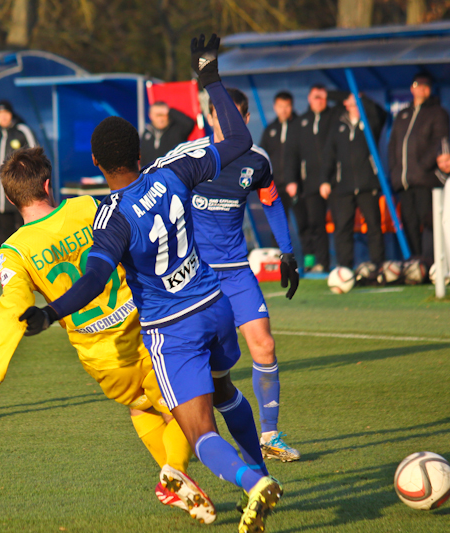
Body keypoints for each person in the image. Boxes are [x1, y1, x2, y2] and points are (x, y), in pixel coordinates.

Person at [19, 35, 283, 532]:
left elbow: (95, 278)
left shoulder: (111, 218)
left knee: (198, 432)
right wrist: (210, 78)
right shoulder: (174, 171)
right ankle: (264, 471)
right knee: (225, 389)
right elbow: (239, 142)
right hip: (215, 305)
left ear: (96, 164)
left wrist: (51, 312)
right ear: (139, 152)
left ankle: (253, 483)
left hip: (173, 329)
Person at [0, 146, 214, 524]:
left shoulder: (13, 251)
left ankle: (179, 485)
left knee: (140, 406)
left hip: (102, 359)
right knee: (187, 408)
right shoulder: (88, 206)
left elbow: (12, 309)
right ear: (48, 185)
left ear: (11, 198)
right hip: (147, 332)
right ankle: (175, 471)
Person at [181, 87, 300, 463]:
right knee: (201, 363)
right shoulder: (191, 157)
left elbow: (272, 202)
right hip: (195, 277)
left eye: (235, 116)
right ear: (210, 117)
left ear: (245, 120)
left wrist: (287, 252)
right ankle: (197, 437)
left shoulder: (256, 160)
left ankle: (270, 436)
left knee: (264, 345)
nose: (227, 122)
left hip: (235, 272)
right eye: (220, 115)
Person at [388, 73, 449, 265]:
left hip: (426, 180)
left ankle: (433, 263)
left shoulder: (437, 112)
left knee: (430, 222)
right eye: (418, 84)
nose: (422, 88)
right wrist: (395, 171)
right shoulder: (402, 114)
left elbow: (440, 142)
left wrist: (422, 166)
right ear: (411, 88)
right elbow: (393, 145)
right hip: (404, 182)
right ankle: (415, 264)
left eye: (426, 85)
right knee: (409, 223)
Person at [320, 93, 387, 271]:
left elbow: (382, 114)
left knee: (374, 226)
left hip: (368, 184)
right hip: (343, 186)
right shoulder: (338, 126)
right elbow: (329, 155)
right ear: (346, 105)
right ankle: (345, 267)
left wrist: (363, 98)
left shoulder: (370, 123)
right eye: (353, 103)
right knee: (343, 228)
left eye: (359, 104)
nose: (356, 107)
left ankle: (377, 266)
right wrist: (325, 180)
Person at [285, 84, 340, 272]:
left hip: (335, 181)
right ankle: (321, 263)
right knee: (315, 224)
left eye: (323, 97)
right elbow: (291, 154)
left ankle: (343, 263)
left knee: (340, 223)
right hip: (310, 183)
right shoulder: (301, 123)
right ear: (309, 98)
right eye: (316, 97)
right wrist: (291, 180)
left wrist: (330, 94)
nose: (320, 101)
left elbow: (348, 100)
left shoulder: (334, 116)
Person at [0, 100, 36, 252]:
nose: (3, 117)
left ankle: (29, 259)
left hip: (20, 192)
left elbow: (35, 157)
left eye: (6, 113)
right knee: (5, 232)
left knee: (25, 229)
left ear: (11, 114)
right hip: (0, 195)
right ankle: (8, 261)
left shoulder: (22, 131)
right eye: (0, 113)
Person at [260, 91, 299, 219]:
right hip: (275, 185)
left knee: (305, 224)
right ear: (274, 107)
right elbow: (262, 155)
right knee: (278, 222)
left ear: (292, 106)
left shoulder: (300, 126)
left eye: (287, 106)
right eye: (280, 106)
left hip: (298, 185)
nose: (284, 110)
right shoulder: (270, 130)